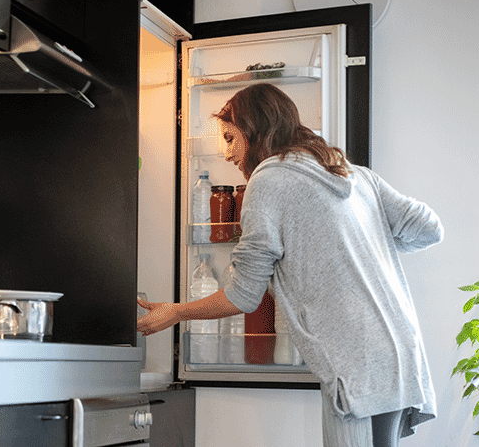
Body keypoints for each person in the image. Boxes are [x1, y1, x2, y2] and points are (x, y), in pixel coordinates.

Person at [137, 83, 443, 447]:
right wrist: (359, 243)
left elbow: (243, 296)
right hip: (399, 352)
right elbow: (428, 228)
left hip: (354, 364)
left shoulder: (268, 179)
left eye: (231, 138)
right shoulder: (353, 174)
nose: (227, 153)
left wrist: (176, 312)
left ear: (255, 130)